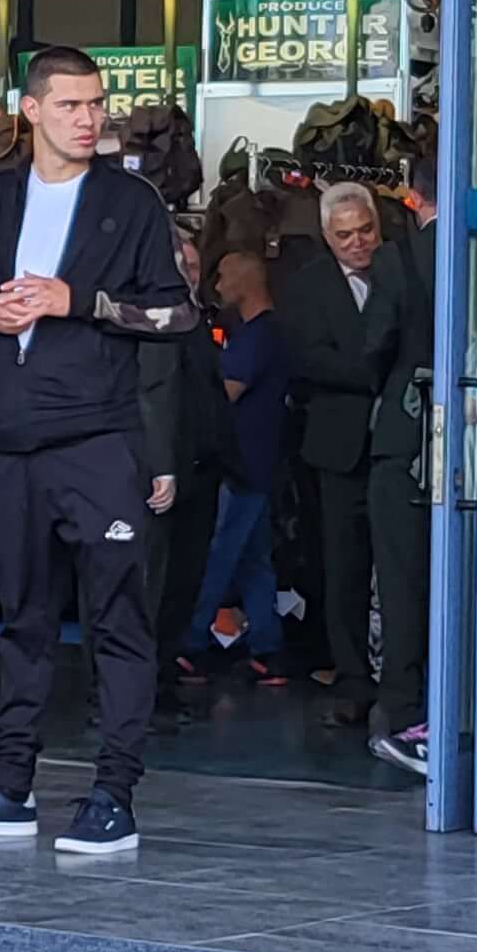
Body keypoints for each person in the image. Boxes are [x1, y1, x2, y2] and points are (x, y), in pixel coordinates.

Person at [0, 46, 193, 859]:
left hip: (98, 443)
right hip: (8, 446)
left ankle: (114, 795)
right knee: (24, 624)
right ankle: (9, 787)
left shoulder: (130, 202)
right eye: (71, 105)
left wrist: (83, 302)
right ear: (31, 110)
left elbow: (176, 315)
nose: (89, 118)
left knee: (118, 621)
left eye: (96, 104)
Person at [273, 179, 433, 772]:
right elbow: (305, 357)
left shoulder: (408, 267)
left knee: (403, 568)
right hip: (339, 444)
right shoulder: (306, 285)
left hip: (401, 441)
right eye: (344, 236)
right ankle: (353, 681)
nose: (357, 242)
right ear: (326, 236)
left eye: (365, 230)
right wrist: (376, 373)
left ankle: (403, 681)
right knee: (342, 567)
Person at [137, 222, 236, 739]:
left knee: (182, 588)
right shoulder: (150, 319)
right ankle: (135, 693)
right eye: (183, 266)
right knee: (147, 590)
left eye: (195, 266)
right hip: (159, 477)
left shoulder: (197, 319)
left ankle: (162, 681)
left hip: (200, 475)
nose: (190, 275)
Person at [186, 247, 291, 687]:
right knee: (252, 559)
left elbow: (225, 394)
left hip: (243, 464)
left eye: (224, 277)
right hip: (260, 462)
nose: (217, 286)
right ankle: (268, 647)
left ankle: (189, 643)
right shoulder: (264, 332)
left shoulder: (256, 337)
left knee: (218, 554)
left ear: (246, 283)